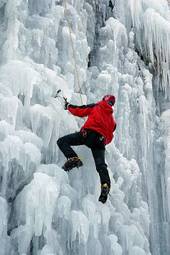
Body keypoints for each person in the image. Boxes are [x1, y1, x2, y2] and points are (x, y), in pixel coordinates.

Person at [57, 95, 116, 203]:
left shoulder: (97, 106)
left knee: (62, 141)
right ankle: (105, 184)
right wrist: (102, 141)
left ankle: (73, 158)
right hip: (100, 141)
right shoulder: (112, 121)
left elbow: (80, 110)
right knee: (101, 166)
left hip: (87, 135)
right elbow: (110, 137)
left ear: (104, 100)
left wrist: (68, 106)